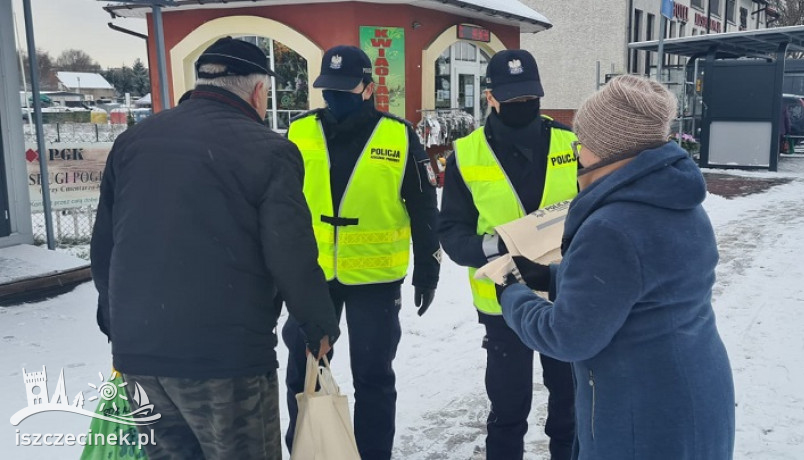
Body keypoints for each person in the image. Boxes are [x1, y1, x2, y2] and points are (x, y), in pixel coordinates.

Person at [90, 37, 341, 459]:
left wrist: (119, 323)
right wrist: (318, 325)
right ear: (259, 91)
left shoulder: (134, 141)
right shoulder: (270, 151)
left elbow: (105, 247)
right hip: (226, 362)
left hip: (140, 357)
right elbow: (291, 253)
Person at [498, 75, 735, 460]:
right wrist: (554, 277)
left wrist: (513, 297)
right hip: (693, 389)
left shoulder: (612, 225)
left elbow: (569, 337)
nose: (578, 153)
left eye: (582, 143)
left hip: (642, 412)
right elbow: (645, 285)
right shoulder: (675, 199)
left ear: (607, 149)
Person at [281, 45, 441, 460]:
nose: (334, 97)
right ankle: (305, 450)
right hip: (312, 279)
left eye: (345, 88)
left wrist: (428, 268)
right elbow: (277, 205)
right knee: (305, 373)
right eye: (327, 88)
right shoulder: (299, 132)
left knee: (373, 377)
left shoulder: (398, 134)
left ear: (368, 88)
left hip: (376, 280)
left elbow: (423, 204)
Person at [438, 49, 577, 460]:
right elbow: (451, 232)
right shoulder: (466, 154)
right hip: (504, 303)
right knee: (508, 409)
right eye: (512, 99)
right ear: (490, 97)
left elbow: (595, 212)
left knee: (569, 406)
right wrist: (499, 247)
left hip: (565, 296)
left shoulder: (572, 143)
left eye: (529, 98)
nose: (522, 107)